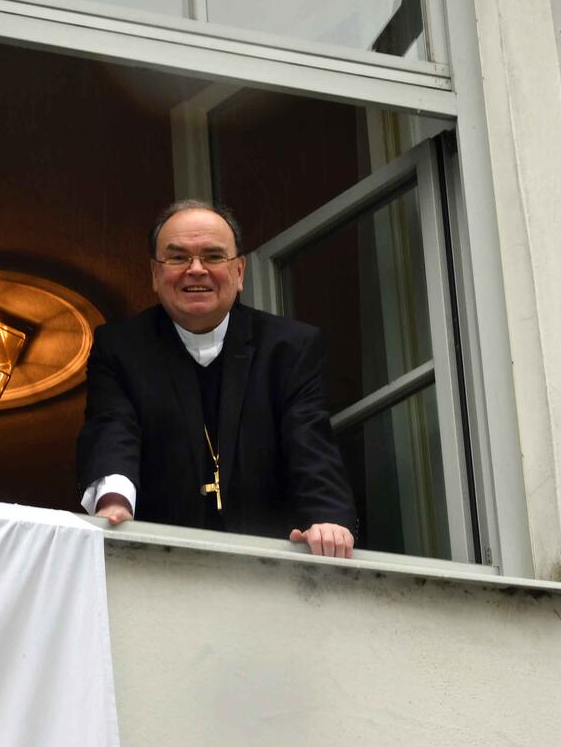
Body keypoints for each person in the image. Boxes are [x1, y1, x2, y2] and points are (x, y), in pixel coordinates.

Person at [75, 200, 358, 558]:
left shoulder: (289, 348)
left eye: (212, 256)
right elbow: (112, 427)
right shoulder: (121, 349)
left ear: (239, 272)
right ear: (155, 275)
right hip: (161, 560)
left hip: (269, 563)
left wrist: (327, 519)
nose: (196, 270)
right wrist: (114, 502)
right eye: (178, 258)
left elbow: (309, 439)